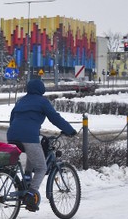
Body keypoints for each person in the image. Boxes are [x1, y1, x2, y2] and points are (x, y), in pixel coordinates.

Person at [6, 78, 77, 211]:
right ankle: (31, 193)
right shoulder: (42, 101)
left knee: (31, 161)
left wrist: (17, 134)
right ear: (41, 89)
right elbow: (55, 118)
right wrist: (70, 130)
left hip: (12, 135)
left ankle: (27, 182)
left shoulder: (21, 100)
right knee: (41, 168)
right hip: (29, 136)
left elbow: (12, 118)